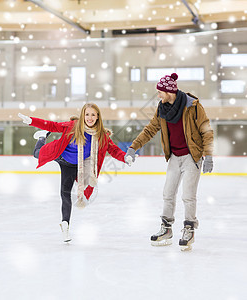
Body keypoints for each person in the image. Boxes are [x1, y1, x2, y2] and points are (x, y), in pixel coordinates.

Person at [19, 103, 132, 243]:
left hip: (74, 166)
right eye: (87, 114)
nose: (89, 118)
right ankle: (42, 138)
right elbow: (52, 126)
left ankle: (65, 225)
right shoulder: (73, 126)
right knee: (37, 154)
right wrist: (32, 121)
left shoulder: (101, 136)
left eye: (93, 115)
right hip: (60, 154)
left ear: (97, 117)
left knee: (65, 194)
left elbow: (114, 150)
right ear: (83, 115)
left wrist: (125, 157)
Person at [125, 73, 213, 251]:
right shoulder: (162, 109)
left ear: (169, 91)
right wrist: (134, 147)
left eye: (160, 92)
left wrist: (208, 155)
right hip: (174, 157)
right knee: (168, 193)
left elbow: (206, 130)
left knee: (188, 196)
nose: (158, 96)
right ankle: (166, 229)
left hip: (192, 156)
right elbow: (150, 129)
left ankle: (189, 229)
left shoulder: (193, 106)